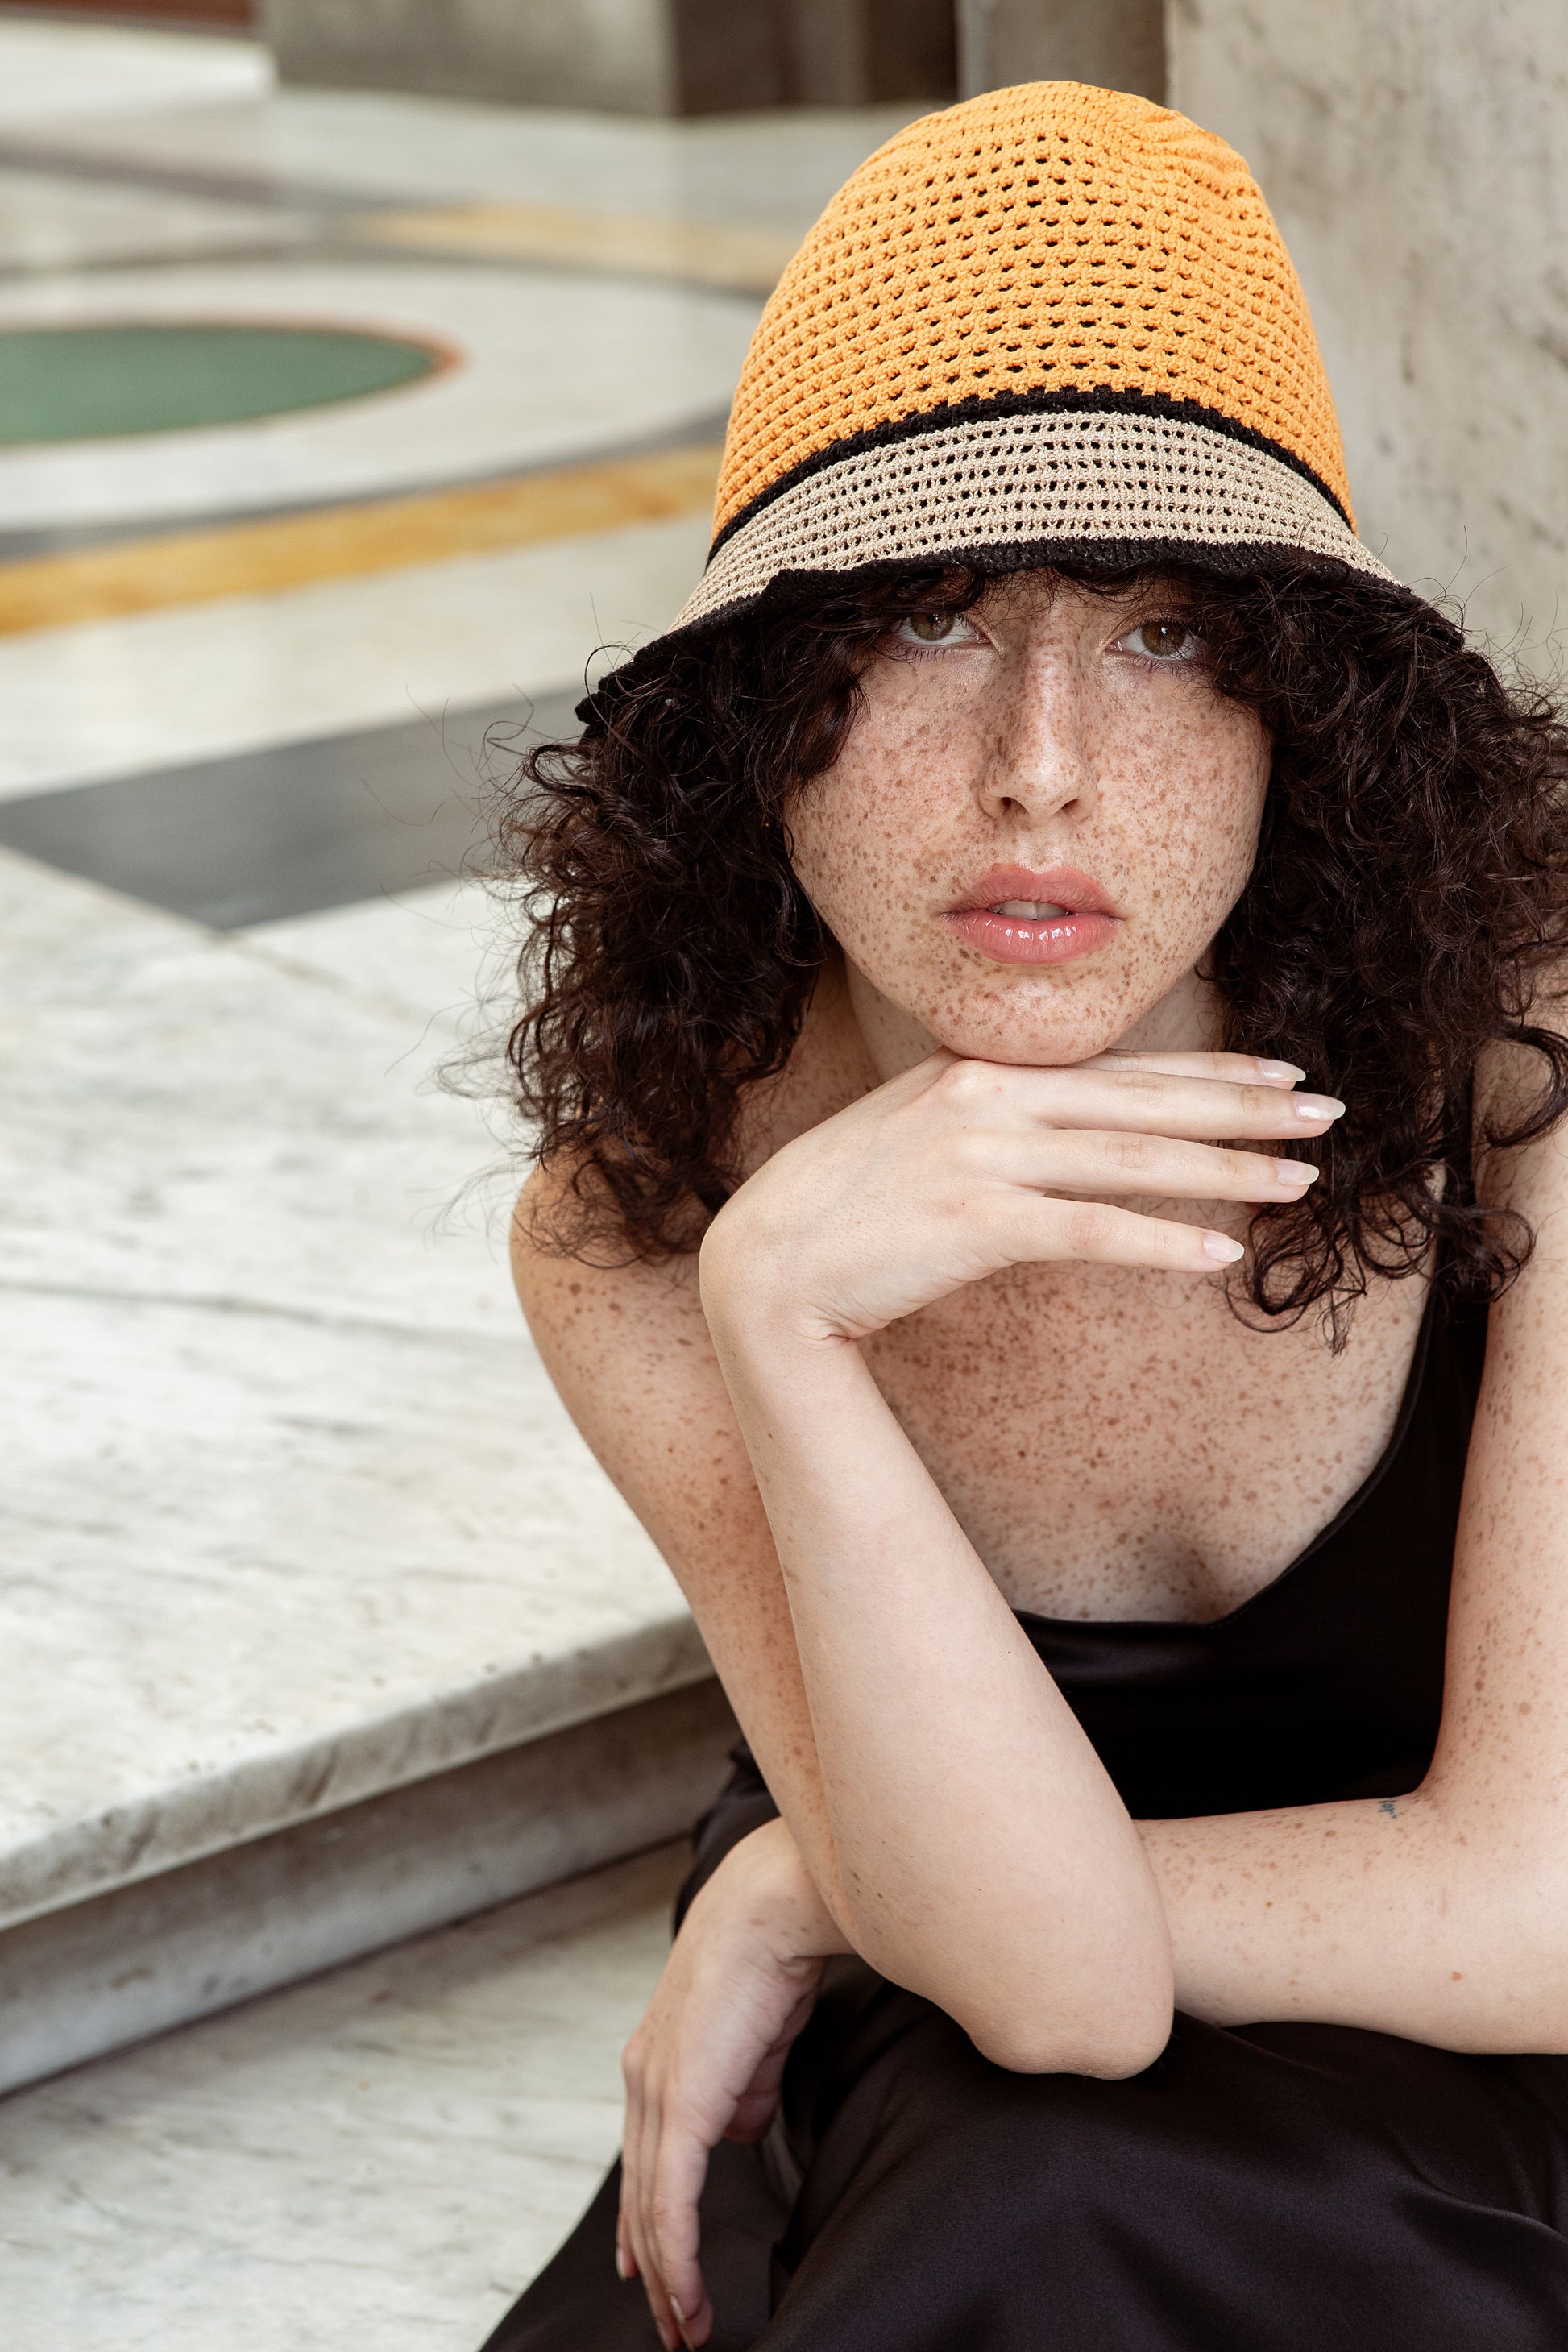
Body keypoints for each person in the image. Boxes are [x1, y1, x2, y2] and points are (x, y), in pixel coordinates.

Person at [479, 81, 1568, 2352]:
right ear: (758, 711)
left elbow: (1534, 1906)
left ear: (1304, 716)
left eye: (1166, 634)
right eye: (929, 619)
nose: (1043, 766)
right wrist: (783, 1315)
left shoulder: (1522, 1053)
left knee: (1057, 2201)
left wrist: (808, 1892)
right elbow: (1043, 1997)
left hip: (1477, 2046)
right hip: (959, 2010)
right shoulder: (652, 1210)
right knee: (1031, 2171)